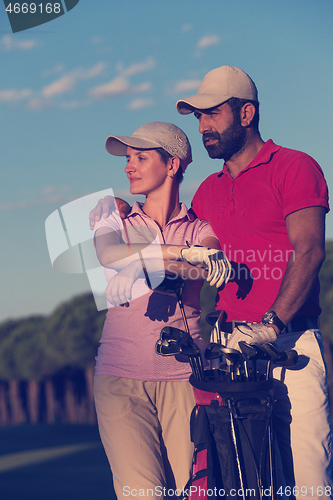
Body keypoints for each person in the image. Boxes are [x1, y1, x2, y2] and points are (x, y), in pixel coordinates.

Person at [90, 67, 332, 499]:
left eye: (212, 114)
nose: (203, 127)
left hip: (289, 343)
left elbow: (310, 251)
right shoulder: (206, 193)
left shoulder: (295, 166)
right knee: (235, 485)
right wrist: (123, 206)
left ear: (246, 114)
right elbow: (184, 249)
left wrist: (272, 325)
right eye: (197, 118)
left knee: (309, 482)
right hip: (224, 355)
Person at [92, 121, 230, 499]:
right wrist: (174, 254)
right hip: (119, 379)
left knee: (195, 491)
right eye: (127, 158)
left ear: (172, 165)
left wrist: (145, 263)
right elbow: (110, 254)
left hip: (185, 378)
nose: (128, 166)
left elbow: (206, 266)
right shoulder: (114, 218)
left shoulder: (200, 228)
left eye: (140, 157)